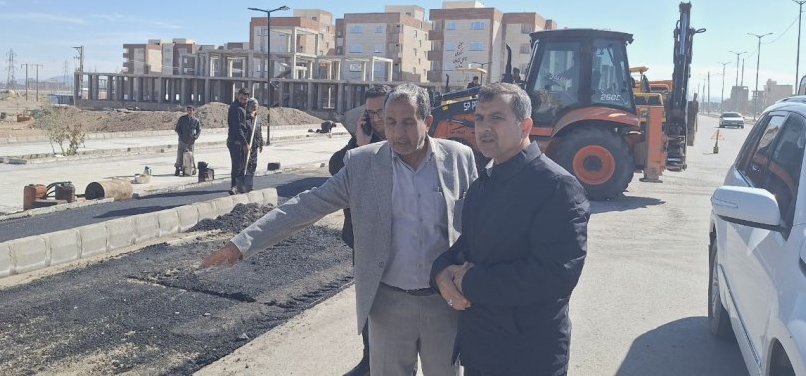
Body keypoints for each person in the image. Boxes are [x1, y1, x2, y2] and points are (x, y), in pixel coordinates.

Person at [202, 83, 478, 376]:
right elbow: (306, 205)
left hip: (445, 303)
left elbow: (479, 224)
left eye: (408, 122)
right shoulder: (363, 164)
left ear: (428, 121)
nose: (398, 133)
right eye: (390, 122)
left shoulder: (459, 158)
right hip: (388, 306)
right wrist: (242, 243)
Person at [431, 83, 590, 375]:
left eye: (497, 117)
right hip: (480, 349)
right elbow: (470, 246)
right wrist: (440, 272)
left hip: (527, 356)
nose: (484, 127)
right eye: (479, 118)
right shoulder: (483, 184)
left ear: (525, 125)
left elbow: (556, 275)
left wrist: (471, 282)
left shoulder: (556, 187)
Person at [327, 84, 390, 376]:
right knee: (368, 302)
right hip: (364, 239)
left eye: (381, 111)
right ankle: (370, 359)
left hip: (398, 240)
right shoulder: (362, 139)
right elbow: (335, 167)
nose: (376, 119)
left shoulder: (404, 139)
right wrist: (358, 144)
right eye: (370, 113)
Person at [236, 98, 263, 193]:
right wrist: (244, 144)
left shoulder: (257, 119)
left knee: (252, 165)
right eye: (253, 107)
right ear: (248, 107)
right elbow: (240, 131)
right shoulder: (244, 118)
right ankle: (239, 186)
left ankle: (248, 186)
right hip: (245, 146)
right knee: (243, 165)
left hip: (254, 146)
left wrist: (261, 143)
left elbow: (259, 131)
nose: (254, 109)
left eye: (256, 108)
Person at [227, 88, 251, 192]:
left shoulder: (242, 107)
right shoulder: (235, 108)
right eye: (241, 98)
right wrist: (245, 143)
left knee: (241, 165)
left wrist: (250, 115)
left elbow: (243, 119)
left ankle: (239, 186)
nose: (243, 101)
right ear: (237, 96)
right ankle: (234, 187)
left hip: (239, 141)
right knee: (237, 166)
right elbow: (238, 128)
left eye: (245, 99)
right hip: (236, 141)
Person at [173, 105, 201, 176]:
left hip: (191, 141)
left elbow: (199, 130)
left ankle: (191, 169)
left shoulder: (196, 120)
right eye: (188, 110)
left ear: (193, 111)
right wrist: (181, 136)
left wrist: (195, 137)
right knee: (180, 155)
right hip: (182, 140)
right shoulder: (182, 119)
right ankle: (178, 168)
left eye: (191, 110)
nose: (189, 112)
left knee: (190, 155)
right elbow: (177, 129)